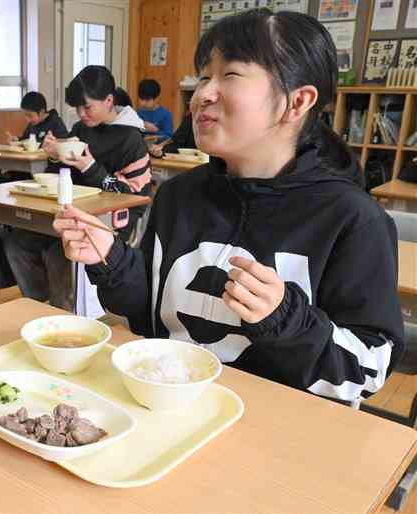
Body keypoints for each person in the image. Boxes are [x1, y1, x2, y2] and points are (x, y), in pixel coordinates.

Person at [53, 9, 404, 402]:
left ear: (297, 101)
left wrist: (284, 318)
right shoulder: (177, 197)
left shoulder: (352, 219)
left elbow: (369, 369)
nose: (202, 93)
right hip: (172, 414)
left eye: (230, 75)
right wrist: (112, 259)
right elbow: (150, 314)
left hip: (281, 436)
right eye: (204, 76)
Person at [4, 65, 151, 312]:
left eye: (87, 107)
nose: (82, 114)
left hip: (111, 222)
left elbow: (133, 196)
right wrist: (53, 154)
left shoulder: (131, 139)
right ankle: (38, 304)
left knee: (58, 251)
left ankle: (63, 311)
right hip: (74, 212)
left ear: (108, 100)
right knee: (16, 242)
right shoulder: (82, 130)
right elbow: (67, 171)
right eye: (77, 108)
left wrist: (91, 166)